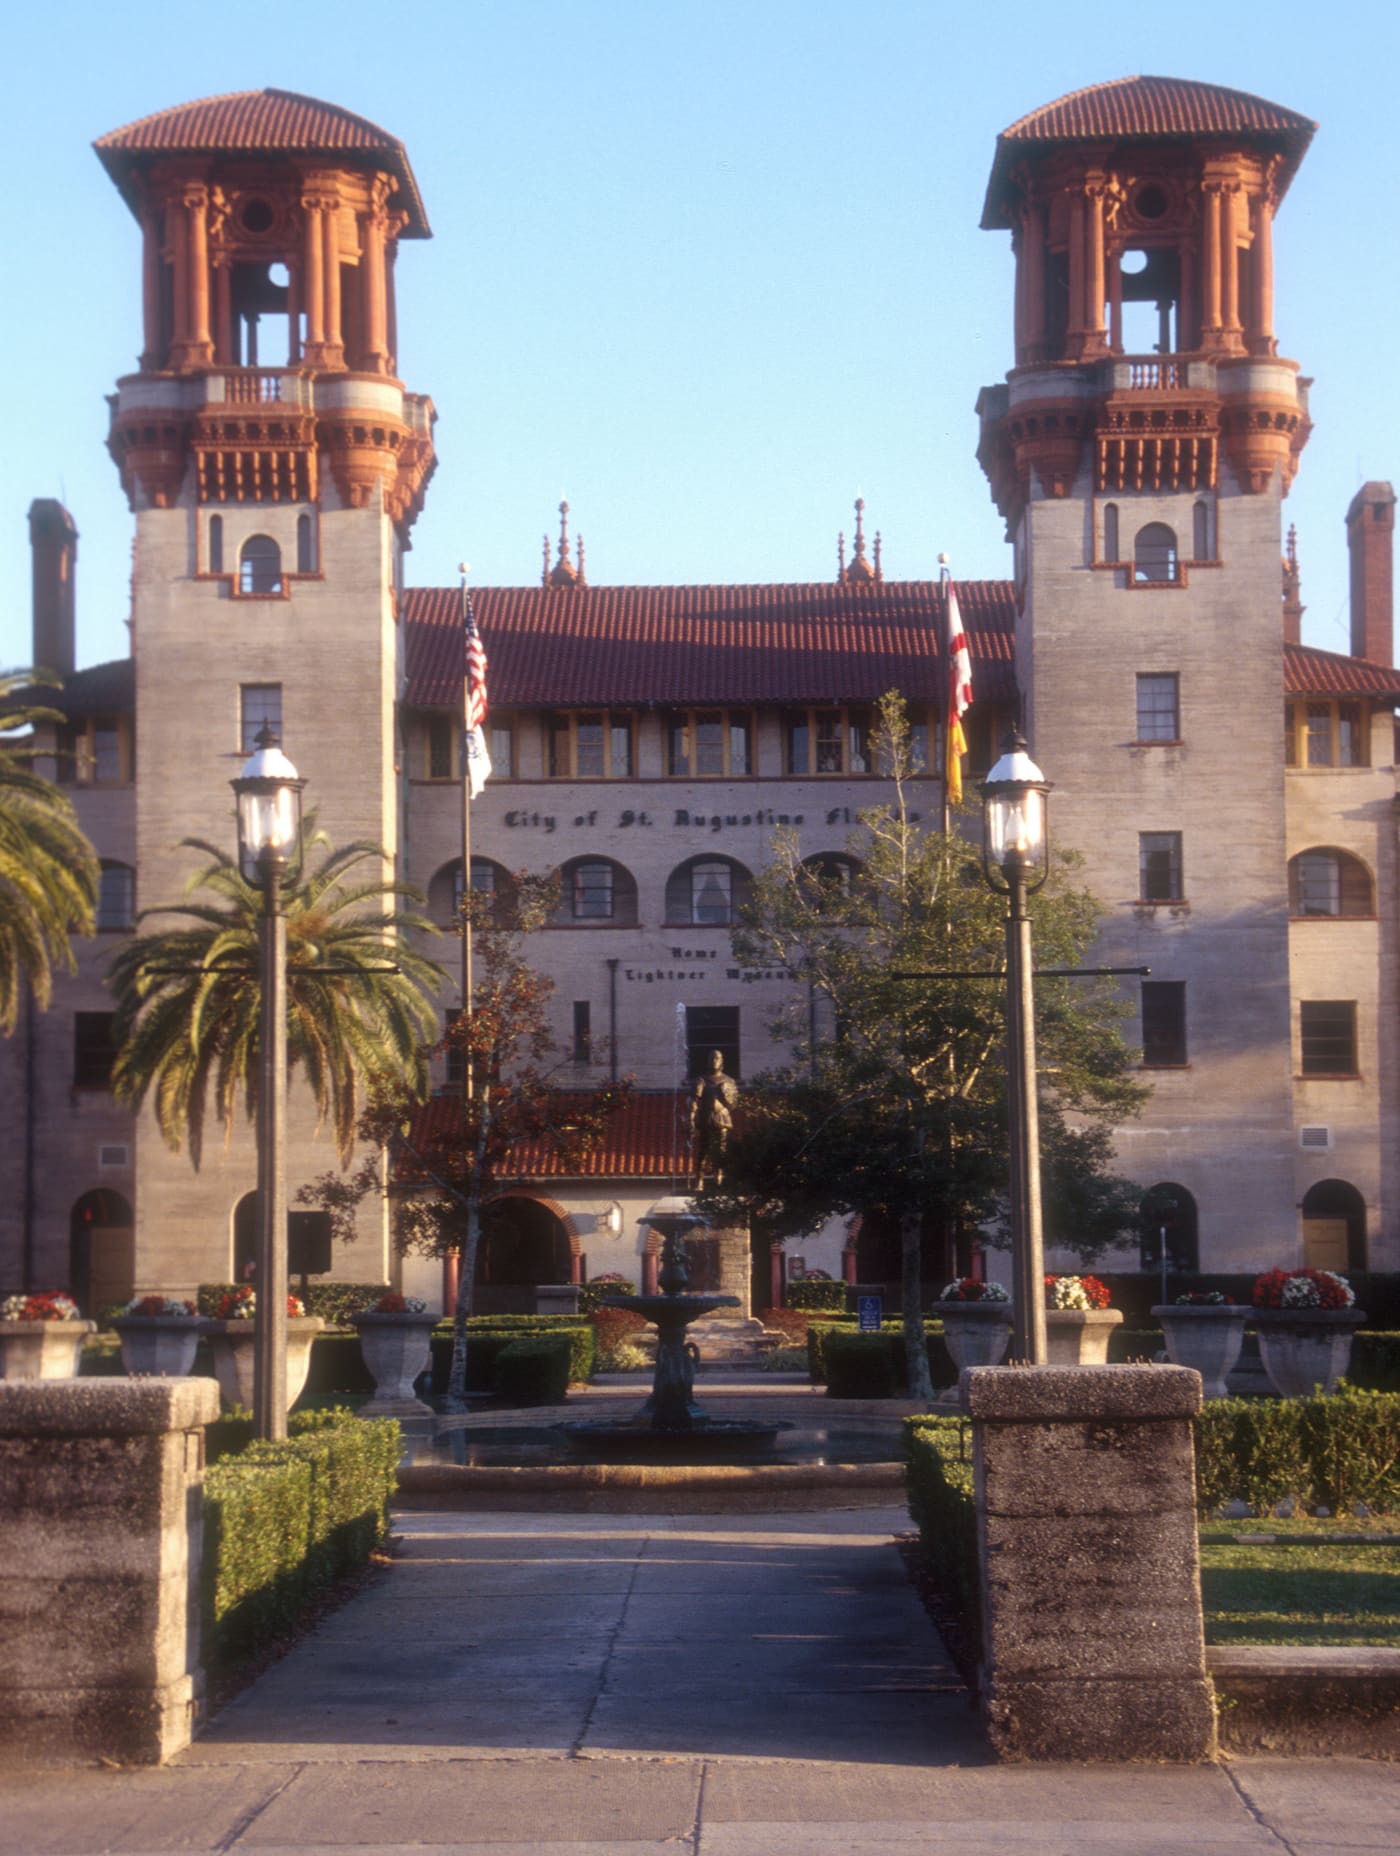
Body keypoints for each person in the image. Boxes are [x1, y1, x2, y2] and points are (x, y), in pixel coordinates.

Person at [689, 1048, 739, 1186]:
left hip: (721, 1120)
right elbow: (694, 1101)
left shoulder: (729, 1081)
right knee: (702, 1151)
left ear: (721, 1061)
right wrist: (691, 1119)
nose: (713, 1061)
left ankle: (719, 1181)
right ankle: (699, 1181)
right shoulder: (702, 1080)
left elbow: (734, 1103)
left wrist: (724, 1101)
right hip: (705, 1119)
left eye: (716, 1058)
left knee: (720, 1152)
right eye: (711, 1058)